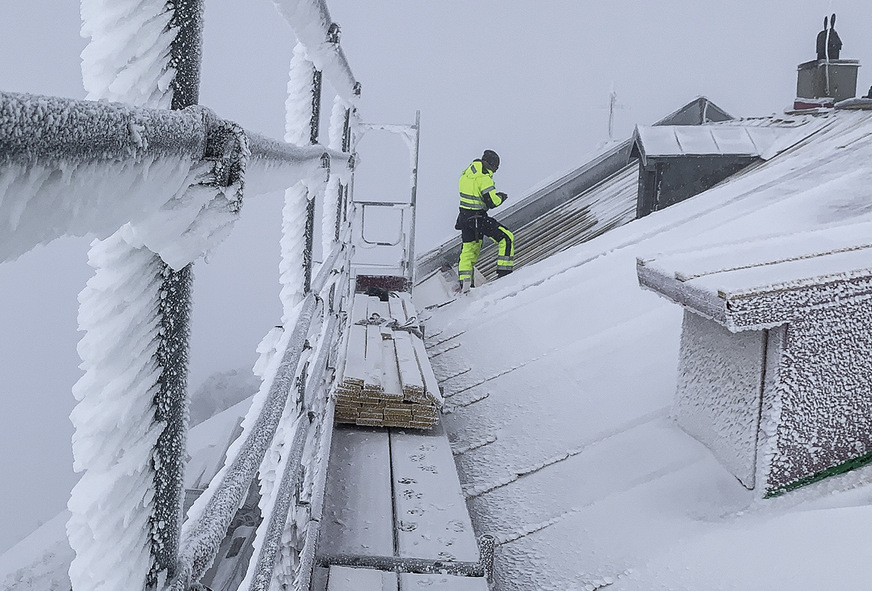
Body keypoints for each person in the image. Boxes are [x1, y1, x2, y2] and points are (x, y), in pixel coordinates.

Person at [454, 149, 515, 293]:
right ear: (492, 164)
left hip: (464, 217)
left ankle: (466, 285)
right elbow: (492, 202)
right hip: (478, 218)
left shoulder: (467, 173)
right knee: (506, 238)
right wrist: (501, 197)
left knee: (468, 252)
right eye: (496, 167)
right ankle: (505, 274)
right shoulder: (484, 178)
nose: (496, 170)